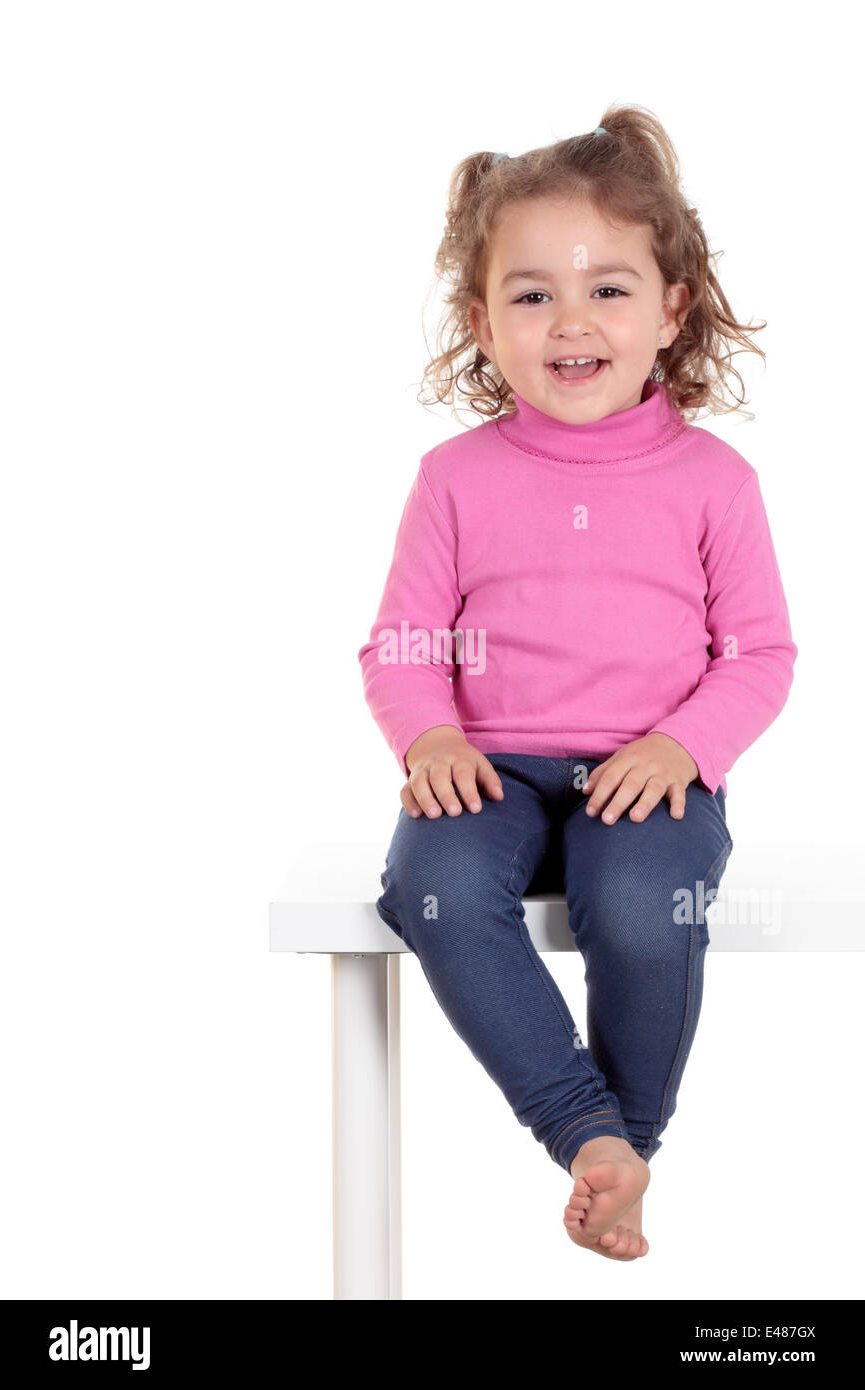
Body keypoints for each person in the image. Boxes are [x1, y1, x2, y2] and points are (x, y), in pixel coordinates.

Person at [357, 105, 797, 1262]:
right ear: (480, 323)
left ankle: (624, 1147)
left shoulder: (714, 481)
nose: (570, 320)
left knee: (648, 912)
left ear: (670, 309)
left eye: (607, 287)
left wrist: (683, 748)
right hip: (489, 774)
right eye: (531, 292)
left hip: (642, 780)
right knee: (434, 890)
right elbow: (400, 641)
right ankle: (583, 1125)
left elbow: (760, 654)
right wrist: (430, 741)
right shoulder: (452, 478)